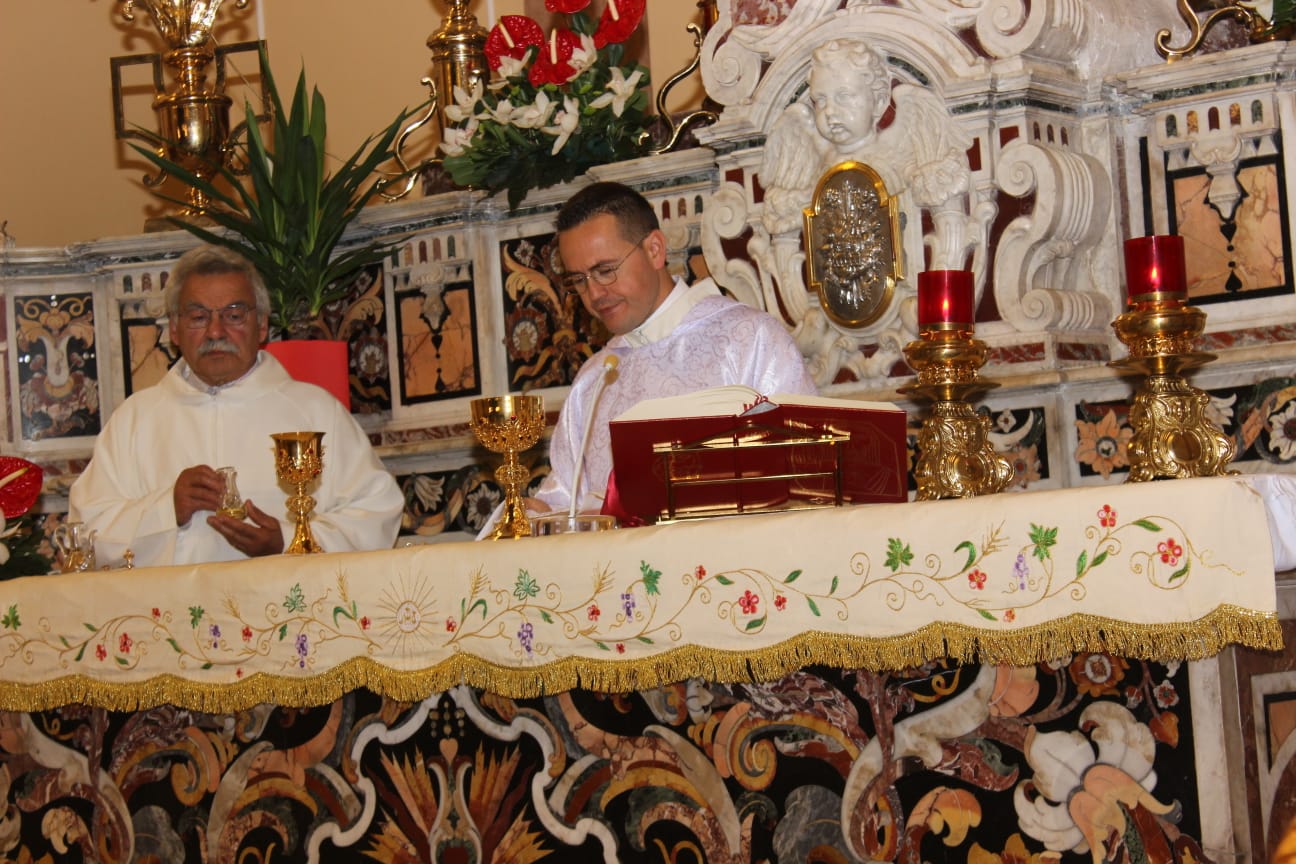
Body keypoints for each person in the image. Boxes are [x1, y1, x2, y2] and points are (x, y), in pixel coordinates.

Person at [69, 245, 403, 567]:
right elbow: (84, 536)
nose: (216, 330)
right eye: (198, 316)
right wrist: (166, 509)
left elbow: (376, 514)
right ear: (174, 328)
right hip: (168, 618)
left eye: (234, 315)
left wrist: (287, 542)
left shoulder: (315, 412)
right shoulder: (134, 421)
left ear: (261, 325)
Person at [526, 181, 817, 520]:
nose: (593, 294)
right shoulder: (592, 382)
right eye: (578, 280)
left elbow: (808, 471)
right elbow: (566, 497)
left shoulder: (749, 340)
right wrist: (536, 513)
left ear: (654, 250)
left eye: (605, 271)